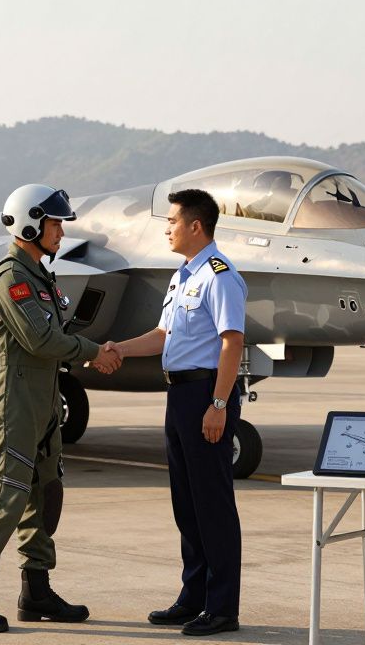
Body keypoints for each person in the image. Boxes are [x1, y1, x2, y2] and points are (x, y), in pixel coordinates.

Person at [0, 184, 121, 633]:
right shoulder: (12, 278)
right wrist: (92, 352)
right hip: (15, 403)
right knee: (6, 495)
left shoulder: (39, 275)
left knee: (45, 494)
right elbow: (41, 339)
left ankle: (36, 590)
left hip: (43, 400)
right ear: (30, 223)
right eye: (54, 223)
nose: (61, 231)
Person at [106, 188, 248, 637]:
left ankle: (222, 607)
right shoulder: (183, 276)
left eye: (171, 221)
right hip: (178, 396)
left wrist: (219, 406)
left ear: (195, 226)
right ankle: (193, 598)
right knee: (186, 504)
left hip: (207, 394)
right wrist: (117, 349)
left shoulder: (219, 276)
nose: (166, 228)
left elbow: (232, 342)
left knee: (213, 505)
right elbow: (163, 335)